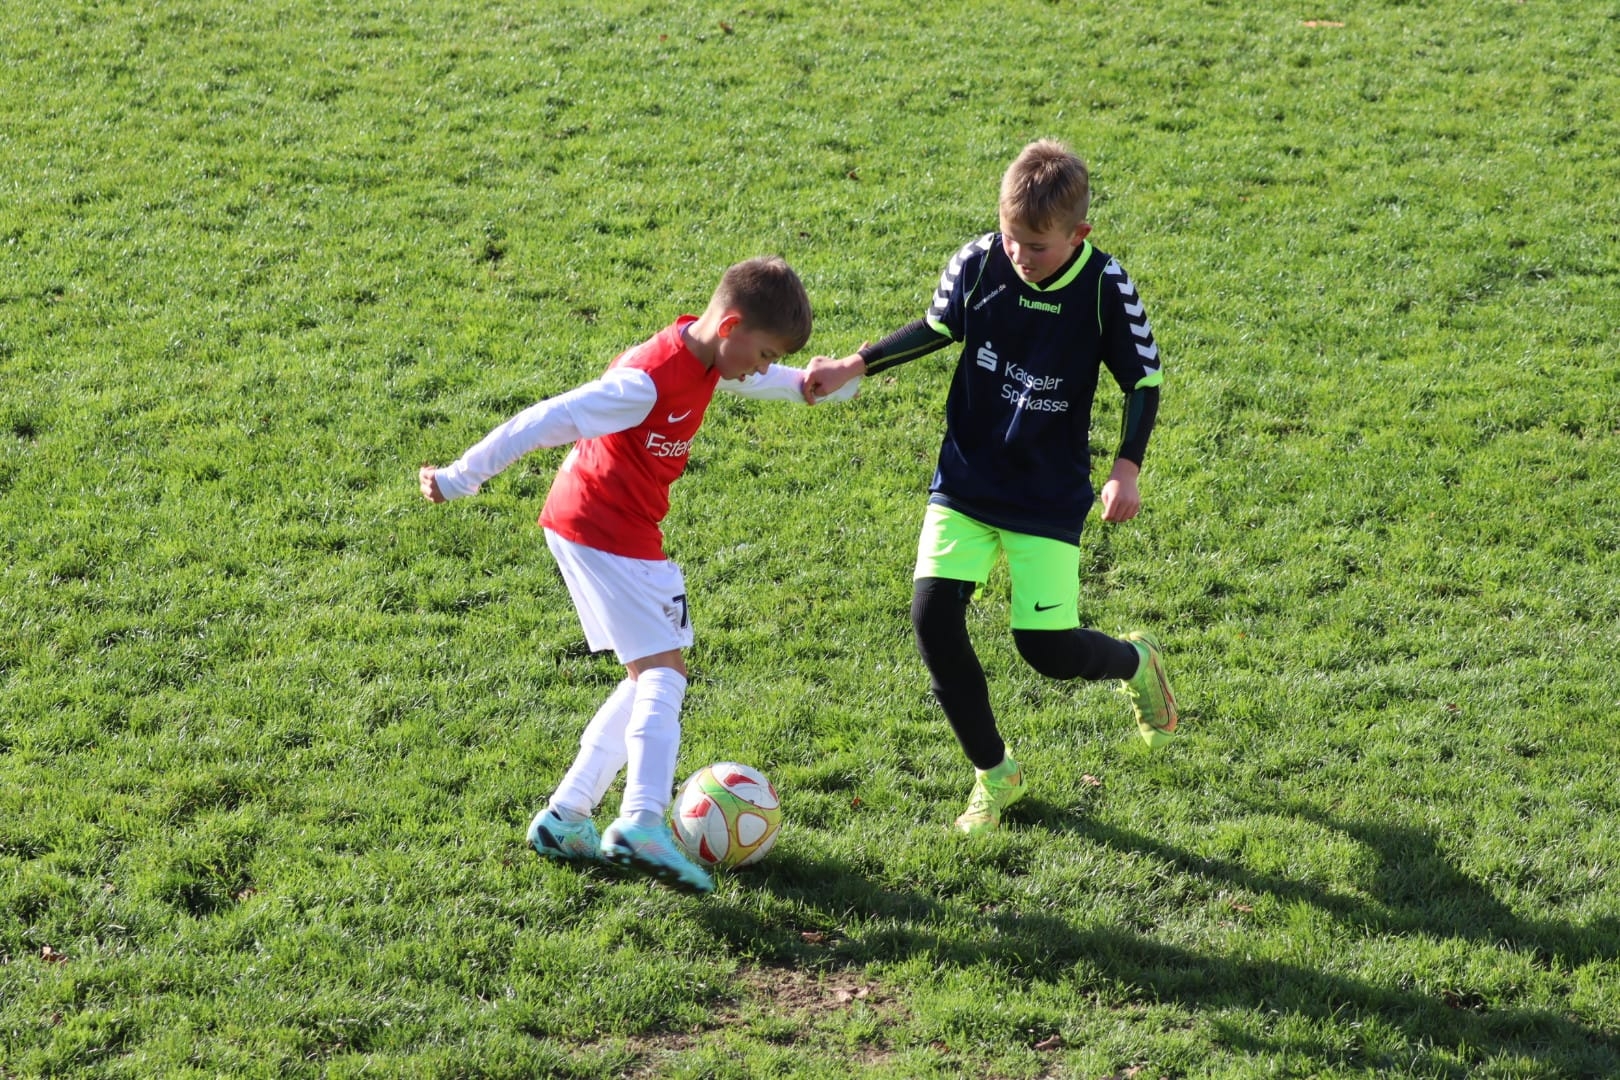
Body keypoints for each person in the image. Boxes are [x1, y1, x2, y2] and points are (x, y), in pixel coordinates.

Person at [420, 256, 852, 894]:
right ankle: (641, 821)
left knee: (646, 675)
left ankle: (566, 817)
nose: (762, 368)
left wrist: (809, 384)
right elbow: (544, 419)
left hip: (595, 525)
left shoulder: (706, 358)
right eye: (763, 354)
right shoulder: (646, 382)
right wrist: (460, 477)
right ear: (730, 326)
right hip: (606, 529)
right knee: (664, 675)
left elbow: (748, 381)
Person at [803, 139, 1179, 837]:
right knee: (932, 618)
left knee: (1047, 650)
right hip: (968, 477)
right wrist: (856, 364)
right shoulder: (980, 262)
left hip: (1047, 493)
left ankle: (1136, 661)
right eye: (1011, 238)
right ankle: (995, 774)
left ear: (1079, 234)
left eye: (1036, 246)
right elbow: (937, 327)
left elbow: (1144, 380)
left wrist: (1126, 467)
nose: (1019, 256)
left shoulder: (1105, 286)